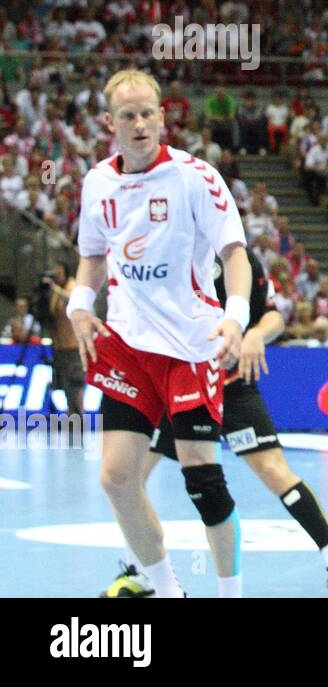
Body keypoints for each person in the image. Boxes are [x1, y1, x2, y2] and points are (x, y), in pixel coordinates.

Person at [69, 69, 252, 599]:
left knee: (204, 484)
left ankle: (230, 595)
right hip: (126, 346)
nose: (140, 122)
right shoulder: (97, 182)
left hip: (191, 346)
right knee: (116, 478)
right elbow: (92, 258)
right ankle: (168, 592)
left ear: (162, 116)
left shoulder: (196, 177)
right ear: (110, 123)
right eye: (128, 115)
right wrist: (81, 306)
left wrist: (235, 316)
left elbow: (233, 254)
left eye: (148, 112)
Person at [100, 250, 328, 598]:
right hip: (177, 385)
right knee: (127, 477)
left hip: (232, 386)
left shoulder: (237, 257)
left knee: (275, 472)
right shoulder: (161, 247)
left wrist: (255, 335)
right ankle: (141, 573)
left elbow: (273, 317)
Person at [43, 262, 86, 417]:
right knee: (64, 385)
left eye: (59, 272)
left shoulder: (72, 286)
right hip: (59, 346)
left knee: (75, 383)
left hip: (73, 346)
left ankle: (78, 417)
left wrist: (54, 289)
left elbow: (72, 302)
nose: (56, 276)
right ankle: (70, 414)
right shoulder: (52, 291)